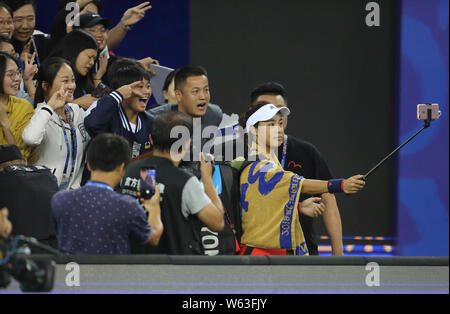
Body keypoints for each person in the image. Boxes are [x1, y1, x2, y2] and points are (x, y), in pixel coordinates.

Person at [234, 102, 365, 256]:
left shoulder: (269, 161)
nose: (279, 129)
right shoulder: (259, 166)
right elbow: (300, 184)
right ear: (253, 131)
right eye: (271, 124)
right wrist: (341, 185)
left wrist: (298, 207)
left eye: (280, 123)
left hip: (274, 257)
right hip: (260, 258)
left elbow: (264, 209)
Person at [249, 81, 343, 256]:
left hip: (302, 250)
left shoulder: (307, 152)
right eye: (268, 110)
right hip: (257, 252)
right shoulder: (240, 155)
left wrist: (339, 254)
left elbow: (328, 198)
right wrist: (341, 185)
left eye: (280, 110)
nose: (277, 117)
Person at [120, 111, 224, 255]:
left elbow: (152, 197)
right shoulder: (185, 182)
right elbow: (217, 222)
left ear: (150, 139)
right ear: (187, 143)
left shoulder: (132, 170)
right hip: (176, 266)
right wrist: (207, 177)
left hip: (136, 263)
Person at [52, 133, 163, 255]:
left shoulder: (60, 200)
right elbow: (153, 238)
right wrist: (153, 206)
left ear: (88, 164)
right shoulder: (127, 206)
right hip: (111, 274)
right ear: (122, 167)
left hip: (71, 273)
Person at [22, 57, 89, 190]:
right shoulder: (40, 115)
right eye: (65, 81)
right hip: (42, 196)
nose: (72, 86)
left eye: (73, 80)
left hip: (69, 196)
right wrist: (50, 107)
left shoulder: (77, 112)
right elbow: (30, 138)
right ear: (45, 86)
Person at [84, 59, 153, 158]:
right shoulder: (107, 117)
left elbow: (149, 163)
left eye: (148, 86)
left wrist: (148, 174)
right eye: (140, 86)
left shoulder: (150, 122)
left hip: (136, 173)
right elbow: (91, 124)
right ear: (124, 90)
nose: (146, 91)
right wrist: (118, 95)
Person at [148, 65, 223, 152]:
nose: (203, 97)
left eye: (206, 90)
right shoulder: (155, 118)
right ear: (178, 95)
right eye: (195, 91)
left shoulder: (214, 115)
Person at [0, 144, 59, 247]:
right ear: (25, 161)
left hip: (21, 250)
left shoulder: (3, 177)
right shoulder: (48, 174)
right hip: (56, 247)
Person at [51, 1, 153, 52]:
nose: (93, 19)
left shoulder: (96, 55)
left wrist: (123, 24)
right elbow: (61, 23)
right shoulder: (60, 44)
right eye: (88, 13)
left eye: (95, 15)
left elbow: (104, 45)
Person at [50, 30, 103, 110]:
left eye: (94, 59)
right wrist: (77, 103)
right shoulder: (52, 75)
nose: (92, 62)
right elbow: (45, 111)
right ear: (74, 51)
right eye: (89, 57)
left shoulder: (82, 80)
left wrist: (97, 78)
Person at [0, 52, 34, 160]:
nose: (18, 79)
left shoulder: (23, 107)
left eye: (18, 73)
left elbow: (18, 158)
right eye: (11, 74)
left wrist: (5, 124)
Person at [3, 0, 53, 66]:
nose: (25, 26)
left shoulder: (44, 43)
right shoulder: (3, 47)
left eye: (30, 18)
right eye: (18, 20)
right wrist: (19, 63)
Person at [0, 35, 38, 102]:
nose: (18, 79)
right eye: (5, 55)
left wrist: (28, 81)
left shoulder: (17, 92)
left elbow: (33, 104)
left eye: (13, 54)